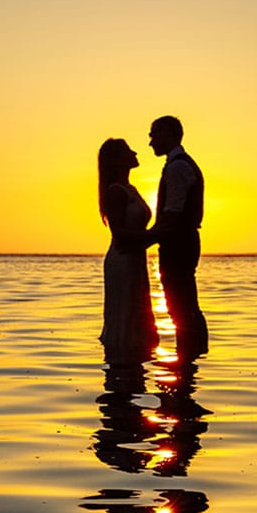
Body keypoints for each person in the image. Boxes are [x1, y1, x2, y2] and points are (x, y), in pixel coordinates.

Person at [147, 115, 209, 358]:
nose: (150, 142)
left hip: (178, 245)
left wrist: (141, 241)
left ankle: (190, 357)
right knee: (184, 305)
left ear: (169, 134)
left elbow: (172, 215)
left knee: (181, 306)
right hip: (181, 243)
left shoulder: (177, 167)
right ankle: (193, 357)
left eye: (154, 135)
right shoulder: (179, 165)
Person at [97, 138, 160, 362]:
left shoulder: (130, 188)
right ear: (117, 160)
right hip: (123, 261)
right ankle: (122, 366)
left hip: (135, 260)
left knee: (137, 313)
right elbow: (120, 235)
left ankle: (135, 365)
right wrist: (156, 235)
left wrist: (154, 236)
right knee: (125, 316)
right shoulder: (115, 191)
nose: (134, 152)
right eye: (127, 151)